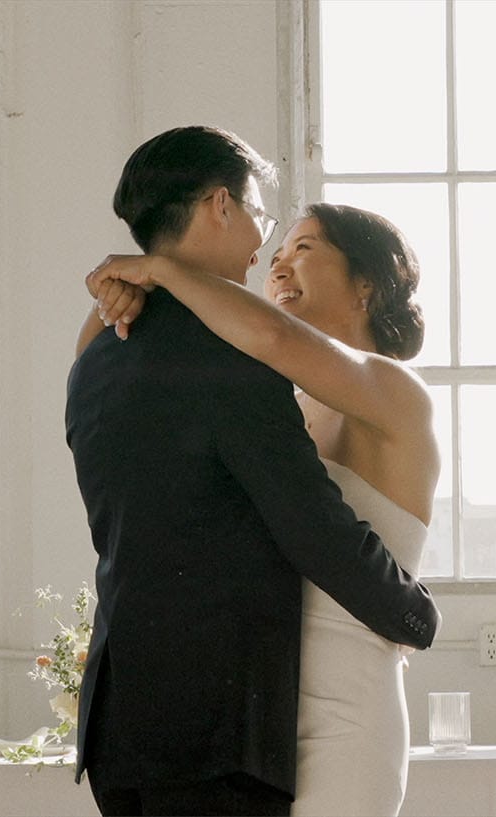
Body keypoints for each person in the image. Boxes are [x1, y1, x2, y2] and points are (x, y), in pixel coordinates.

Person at [64, 125, 440, 817]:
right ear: (219, 205)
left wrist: (162, 271)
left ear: (365, 286)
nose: (273, 258)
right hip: (254, 707)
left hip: (336, 707)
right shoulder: (261, 389)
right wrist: (122, 298)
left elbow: (268, 335)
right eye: (276, 241)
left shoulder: (389, 389)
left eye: (304, 248)